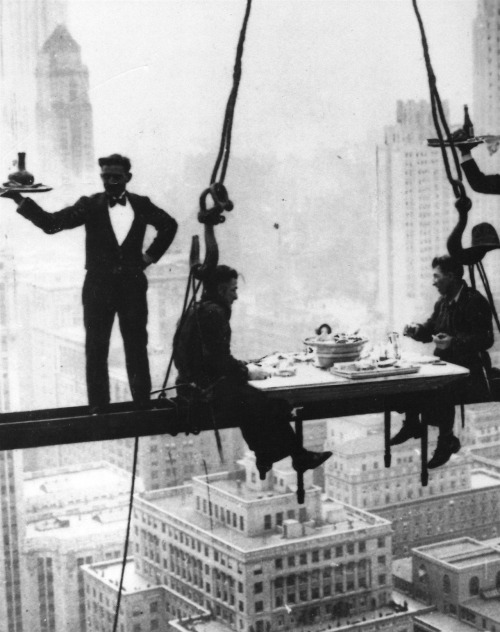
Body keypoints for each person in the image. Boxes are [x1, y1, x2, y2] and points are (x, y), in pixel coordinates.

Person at [3, 154, 178, 411]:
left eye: (116, 177)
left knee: (136, 345)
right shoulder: (90, 205)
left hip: (132, 286)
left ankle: (142, 404)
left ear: (128, 178)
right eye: (105, 177)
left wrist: (149, 257)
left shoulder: (142, 204)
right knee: (96, 347)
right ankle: (99, 408)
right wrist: (19, 199)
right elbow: (51, 224)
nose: (110, 182)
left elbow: (169, 226)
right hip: (98, 287)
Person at [173, 264, 332, 479]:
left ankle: (272, 454)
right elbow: (219, 360)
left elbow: (208, 358)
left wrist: (241, 368)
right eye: (233, 290)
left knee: (253, 401)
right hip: (205, 392)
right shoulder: (215, 314)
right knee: (271, 402)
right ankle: (290, 456)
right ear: (221, 290)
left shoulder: (196, 309)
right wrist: (247, 372)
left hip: (190, 386)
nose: (236, 296)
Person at [391, 254, 493, 468]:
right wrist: (417, 330)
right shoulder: (443, 303)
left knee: (440, 387)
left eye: (437, 277)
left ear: (451, 276)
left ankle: (446, 439)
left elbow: (486, 338)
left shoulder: (474, 301)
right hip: (446, 365)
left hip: (470, 370)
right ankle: (412, 424)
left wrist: (453, 343)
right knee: (413, 377)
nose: (433, 281)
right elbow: (431, 330)